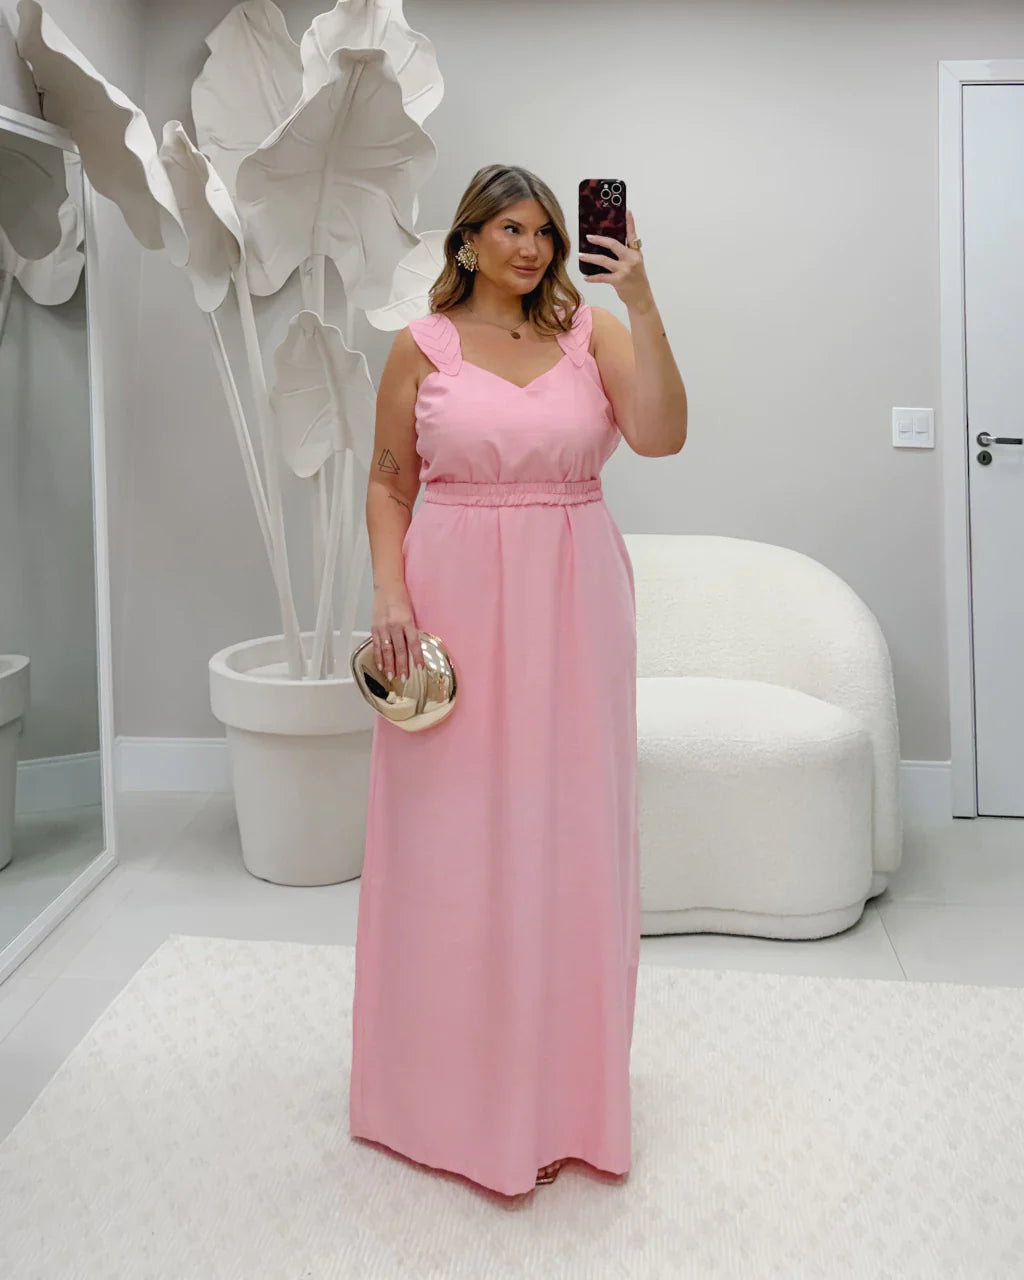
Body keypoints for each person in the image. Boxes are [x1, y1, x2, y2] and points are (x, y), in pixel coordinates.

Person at [349, 164, 687, 1197]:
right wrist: (391, 596)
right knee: (449, 840)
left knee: (572, 834)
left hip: (575, 601)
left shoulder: (594, 335)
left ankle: (564, 1099)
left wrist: (639, 295)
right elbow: (389, 483)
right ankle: (438, 1097)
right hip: (451, 601)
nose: (533, 247)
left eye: (545, 231)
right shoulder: (421, 347)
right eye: (509, 228)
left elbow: (663, 435)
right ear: (466, 241)